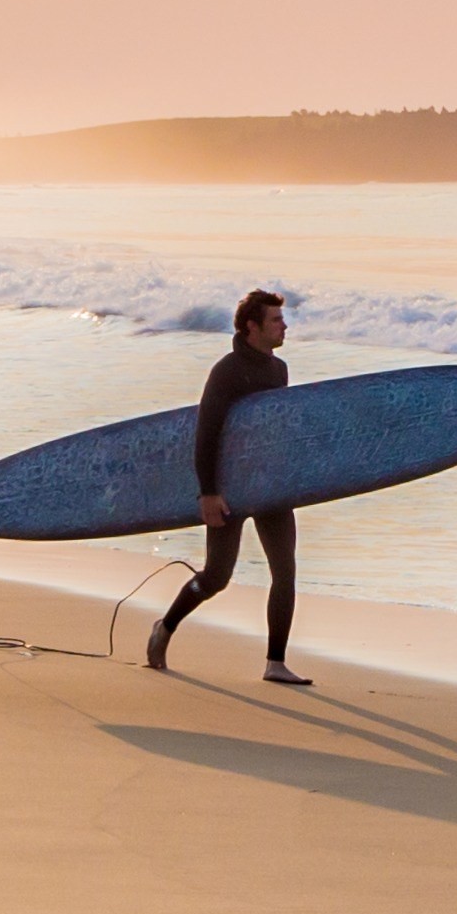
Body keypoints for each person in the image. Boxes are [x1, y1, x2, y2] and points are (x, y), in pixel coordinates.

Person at [146, 288, 317, 686]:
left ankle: (275, 662)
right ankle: (166, 625)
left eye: (282, 318)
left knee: (285, 572)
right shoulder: (227, 371)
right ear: (252, 327)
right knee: (216, 576)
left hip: (270, 485)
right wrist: (208, 492)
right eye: (275, 320)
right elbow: (207, 433)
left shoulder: (279, 370)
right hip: (229, 488)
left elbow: (275, 429)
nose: (284, 325)